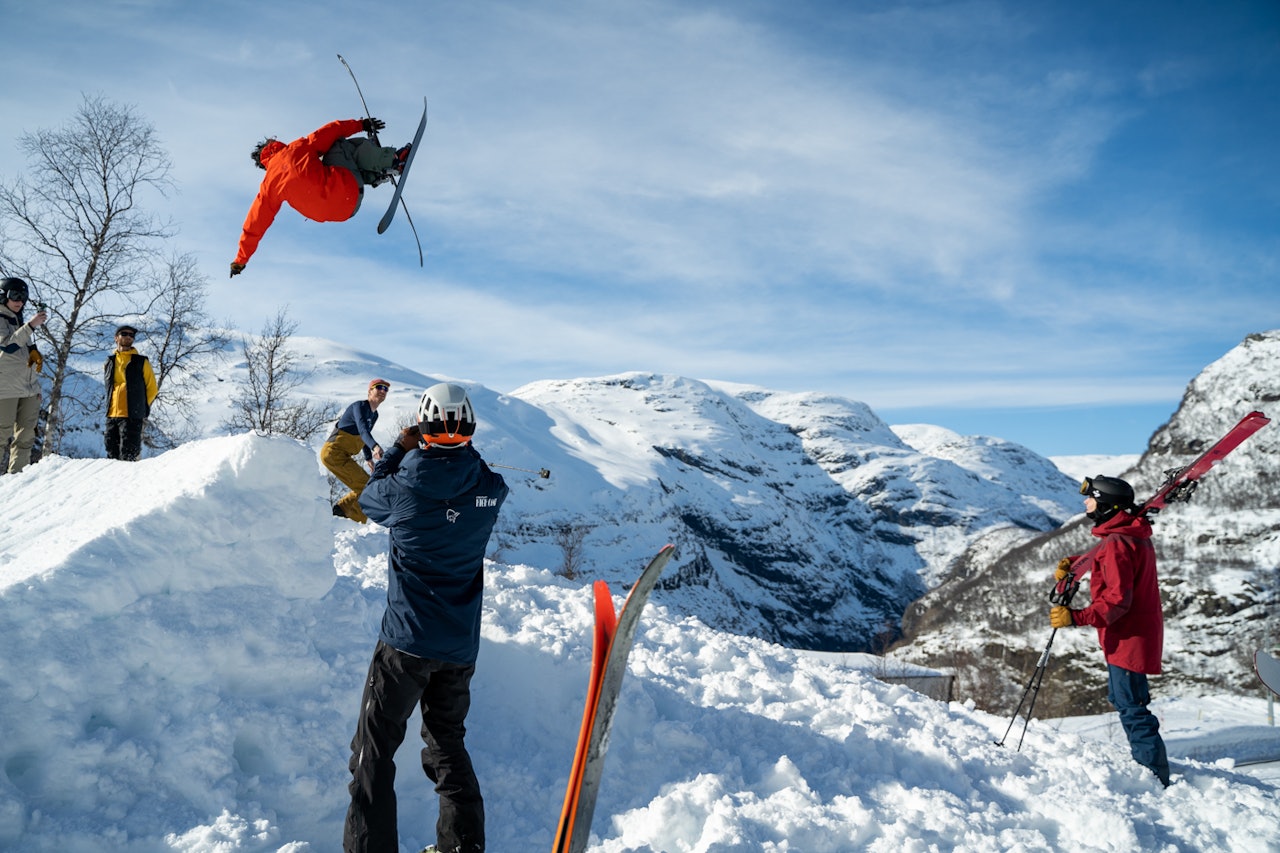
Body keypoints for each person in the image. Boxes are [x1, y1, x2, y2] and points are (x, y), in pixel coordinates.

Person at [344, 383, 508, 853]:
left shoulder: (403, 487)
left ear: (425, 425)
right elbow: (479, 476)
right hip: (458, 647)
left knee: (373, 753)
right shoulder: (490, 491)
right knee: (447, 745)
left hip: (405, 642)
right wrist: (455, 451)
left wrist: (400, 446)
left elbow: (371, 495)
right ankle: (462, 846)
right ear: (470, 429)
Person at [1050, 474, 1171, 787]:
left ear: (1104, 503)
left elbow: (1116, 601)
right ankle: (1149, 766)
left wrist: (1075, 618)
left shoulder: (1117, 543)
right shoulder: (1126, 536)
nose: (1085, 503)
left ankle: (1153, 775)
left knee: (1131, 705)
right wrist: (1075, 562)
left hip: (1128, 638)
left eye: (1090, 497)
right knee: (1123, 699)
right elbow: (1108, 559)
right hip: (1127, 636)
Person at [230, 118, 411, 276]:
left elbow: (254, 225)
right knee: (339, 145)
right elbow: (331, 131)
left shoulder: (268, 185)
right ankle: (393, 160)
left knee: (329, 169)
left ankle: (377, 174)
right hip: (346, 188)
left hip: (345, 211)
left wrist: (240, 260)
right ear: (272, 145)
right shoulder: (296, 148)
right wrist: (361, 124)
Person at [322, 379, 390, 523]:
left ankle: (341, 512)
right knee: (366, 486)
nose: (383, 391)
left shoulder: (374, 415)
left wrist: (368, 458)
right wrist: (375, 447)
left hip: (344, 455)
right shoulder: (359, 406)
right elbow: (363, 430)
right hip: (333, 452)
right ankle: (353, 521)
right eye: (379, 387)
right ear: (369, 391)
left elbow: (363, 436)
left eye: (386, 389)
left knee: (367, 485)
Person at [0, 277, 47, 473]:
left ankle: (17, 480)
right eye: (15, 296)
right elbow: (8, 346)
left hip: (28, 388)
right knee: (1, 435)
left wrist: (34, 352)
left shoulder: (17, 320)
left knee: (26, 436)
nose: (20, 301)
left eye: (23, 297)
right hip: (5, 388)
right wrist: (31, 325)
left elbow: (21, 348)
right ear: (4, 296)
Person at [103, 324, 158, 461]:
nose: (128, 337)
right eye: (124, 334)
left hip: (132, 415)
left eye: (131, 335)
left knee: (129, 455)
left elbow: (152, 388)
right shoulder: (109, 362)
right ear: (116, 338)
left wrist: (141, 406)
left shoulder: (141, 362)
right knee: (111, 453)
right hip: (112, 414)